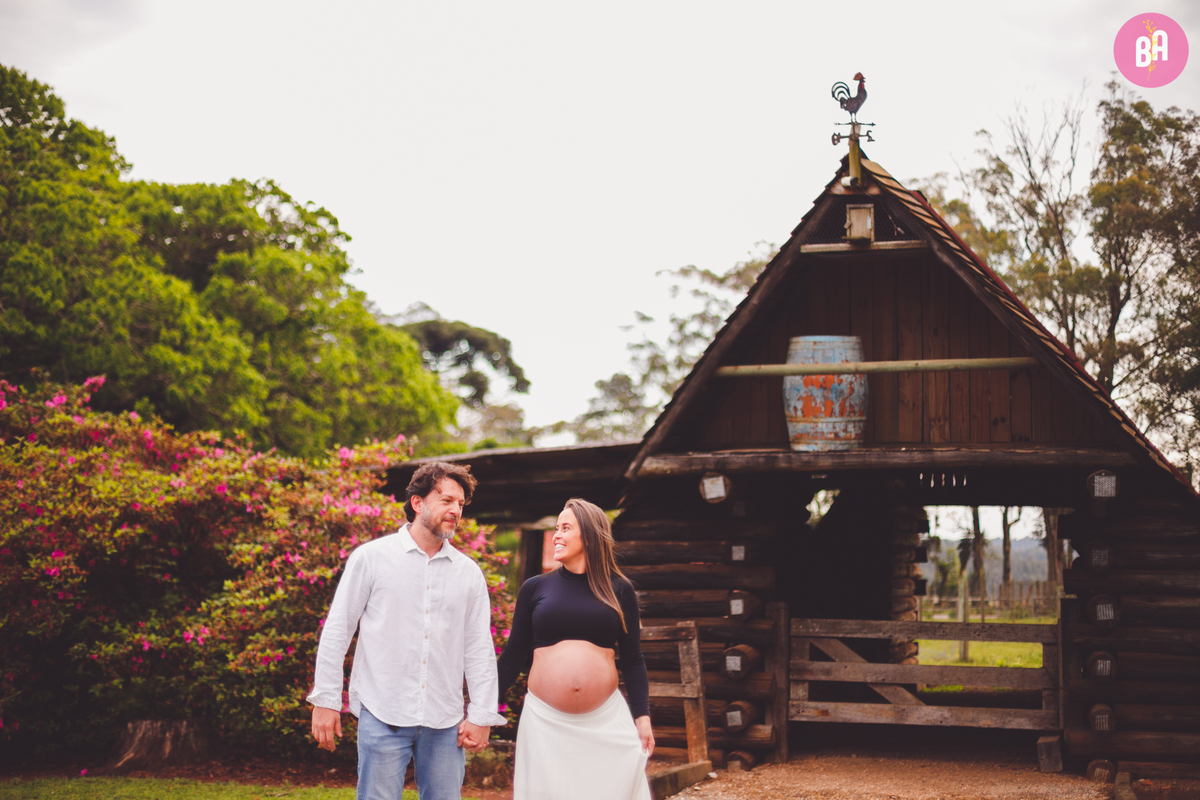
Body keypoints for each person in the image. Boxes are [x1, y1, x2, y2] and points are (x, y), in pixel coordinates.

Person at [307, 462, 507, 800]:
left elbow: (478, 648)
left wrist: (483, 714)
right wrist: (326, 700)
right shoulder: (371, 558)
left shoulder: (468, 574)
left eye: (460, 504)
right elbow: (339, 629)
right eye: (446, 500)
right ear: (418, 503)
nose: (455, 510)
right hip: (383, 710)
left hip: (444, 720)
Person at [497, 497, 653, 800]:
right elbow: (513, 655)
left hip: (605, 720)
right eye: (556, 528)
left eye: (565, 528)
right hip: (545, 723)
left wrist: (643, 717)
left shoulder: (620, 589)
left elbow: (633, 659)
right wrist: (482, 711)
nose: (556, 535)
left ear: (590, 535)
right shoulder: (535, 587)